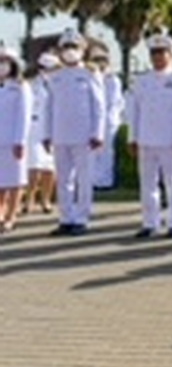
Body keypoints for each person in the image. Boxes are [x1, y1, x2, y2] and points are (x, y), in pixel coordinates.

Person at [44, 28, 105, 236]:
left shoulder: (89, 73)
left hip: (84, 136)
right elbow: (49, 107)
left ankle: (82, 218)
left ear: (83, 49)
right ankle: (65, 218)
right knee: (63, 180)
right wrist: (47, 134)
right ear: (60, 50)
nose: (70, 51)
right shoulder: (56, 76)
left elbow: (99, 106)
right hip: (60, 135)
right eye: (66, 47)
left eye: (74, 47)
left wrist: (98, 133)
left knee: (84, 179)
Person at [129, 35, 172, 238]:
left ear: (170, 54)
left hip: (170, 141)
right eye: (153, 53)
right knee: (147, 185)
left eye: (161, 52)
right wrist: (133, 137)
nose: (157, 57)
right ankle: (150, 222)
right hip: (146, 139)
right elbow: (135, 111)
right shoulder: (141, 81)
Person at [0, 46, 31, 234]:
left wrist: (20, 141)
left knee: (14, 181)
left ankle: (11, 216)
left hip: (12, 141)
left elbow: (24, 116)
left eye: (5, 61)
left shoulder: (20, 87)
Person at [23, 53, 59, 216]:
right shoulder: (30, 84)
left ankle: (46, 200)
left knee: (50, 168)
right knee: (34, 167)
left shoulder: (59, 84)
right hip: (34, 127)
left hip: (52, 128)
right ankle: (29, 200)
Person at [90, 45, 125, 190]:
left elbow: (114, 102)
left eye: (102, 59)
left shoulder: (112, 79)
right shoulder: (91, 77)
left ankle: (105, 182)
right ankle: (93, 180)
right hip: (93, 120)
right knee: (92, 153)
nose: (99, 63)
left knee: (106, 152)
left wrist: (107, 119)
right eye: (96, 59)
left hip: (109, 120)